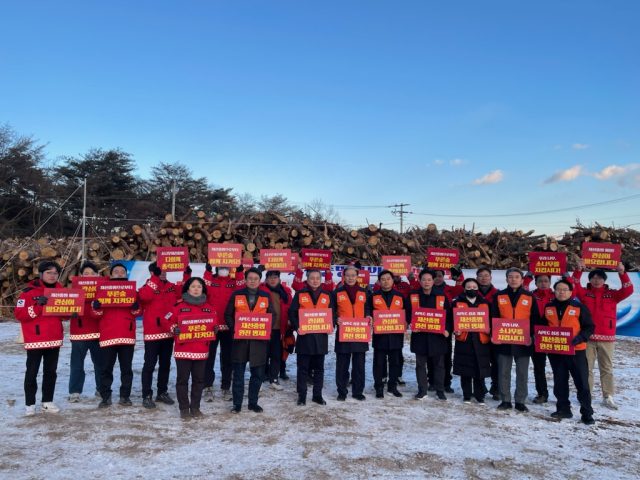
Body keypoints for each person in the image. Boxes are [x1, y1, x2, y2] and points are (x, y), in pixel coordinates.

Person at [572, 260, 633, 410]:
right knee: (587, 368)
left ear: (604, 280)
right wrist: (578, 271)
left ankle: (608, 396)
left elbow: (628, 290)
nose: (596, 280)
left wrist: (622, 273)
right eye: (593, 278)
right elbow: (573, 287)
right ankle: (587, 395)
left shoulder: (612, 295)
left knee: (606, 368)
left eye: (599, 278)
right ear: (590, 279)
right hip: (588, 338)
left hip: (607, 338)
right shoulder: (584, 294)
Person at [542, 279, 595, 425]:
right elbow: (543, 326)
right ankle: (563, 408)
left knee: (582, 383)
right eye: (559, 289)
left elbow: (589, 326)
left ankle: (587, 413)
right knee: (559, 381)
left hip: (576, 351)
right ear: (555, 291)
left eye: (565, 289)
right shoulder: (548, 307)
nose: (562, 292)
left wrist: (581, 337)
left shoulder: (579, 307)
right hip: (556, 351)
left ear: (571, 292)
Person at [15, 261, 65, 415]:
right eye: (49, 272)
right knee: (32, 372)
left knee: (51, 372)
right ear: (41, 274)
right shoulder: (28, 292)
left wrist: (72, 313)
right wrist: (38, 306)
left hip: (54, 338)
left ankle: (47, 402)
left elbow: (64, 314)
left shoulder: (62, 291)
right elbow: (20, 315)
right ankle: (30, 404)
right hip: (35, 339)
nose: (52, 275)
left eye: (55, 273)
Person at [224, 267, 276, 413]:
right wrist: (235, 330)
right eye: (250, 278)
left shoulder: (265, 296)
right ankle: (237, 404)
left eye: (256, 279)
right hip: (240, 342)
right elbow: (228, 314)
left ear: (260, 281)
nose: (253, 281)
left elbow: (273, 315)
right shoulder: (236, 294)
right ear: (246, 280)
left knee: (257, 375)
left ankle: (253, 402)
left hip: (258, 342)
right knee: (239, 375)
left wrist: (266, 328)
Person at [92, 263, 142, 408]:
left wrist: (136, 306)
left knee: (126, 369)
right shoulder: (101, 291)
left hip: (126, 334)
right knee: (106, 368)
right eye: (116, 271)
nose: (119, 274)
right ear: (111, 274)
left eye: (122, 272)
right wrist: (97, 307)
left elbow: (138, 313)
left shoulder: (133, 292)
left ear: (126, 275)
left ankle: (125, 396)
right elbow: (96, 315)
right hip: (108, 335)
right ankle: (105, 396)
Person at [491, 267, 541, 412]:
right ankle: (505, 399)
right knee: (503, 371)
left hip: (523, 340)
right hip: (504, 339)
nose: (513, 279)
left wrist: (532, 336)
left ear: (521, 279)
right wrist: (495, 335)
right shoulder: (499, 296)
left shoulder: (529, 296)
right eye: (511, 277)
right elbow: (494, 316)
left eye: (516, 277)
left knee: (522, 372)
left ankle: (520, 401)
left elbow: (535, 318)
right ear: (506, 279)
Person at [164, 277, 215, 420]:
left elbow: (213, 323)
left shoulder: (208, 308)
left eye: (199, 286)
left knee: (199, 380)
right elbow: (166, 320)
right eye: (193, 286)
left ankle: (195, 408)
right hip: (183, 350)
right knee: (183, 380)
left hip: (201, 351)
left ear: (203, 289)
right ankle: (184, 409)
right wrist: (174, 329)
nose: (196, 289)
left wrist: (214, 328)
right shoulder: (178, 306)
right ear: (187, 289)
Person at [288, 269, 336, 406]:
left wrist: (331, 325)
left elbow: (332, 314)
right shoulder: (300, 294)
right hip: (304, 337)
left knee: (319, 369)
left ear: (320, 280)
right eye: (312, 278)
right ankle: (302, 396)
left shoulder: (327, 295)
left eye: (317, 278)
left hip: (321, 338)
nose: (315, 280)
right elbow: (292, 312)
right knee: (302, 369)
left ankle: (317, 395)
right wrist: (297, 327)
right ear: (307, 280)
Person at [405, 269, 453, 401]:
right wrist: (411, 324)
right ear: (419, 281)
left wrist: (447, 329)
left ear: (433, 281)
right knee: (420, 365)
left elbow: (448, 316)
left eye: (429, 280)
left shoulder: (441, 297)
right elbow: (408, 313)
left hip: (437, 336)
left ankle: (440, 390)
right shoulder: (413, 296)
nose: (426, 282)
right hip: (420, 336)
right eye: (424, 279)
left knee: (439, 365)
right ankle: (422, 390)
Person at [200, 263, 245, 402]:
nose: (223, 270)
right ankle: (207, 387)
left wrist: (239, 272)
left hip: (228, 326)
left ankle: (226, 387)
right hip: (211, 327)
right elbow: (203, 291)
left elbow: (241, 290)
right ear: (216, 268)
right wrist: (207, 272)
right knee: (208, 359)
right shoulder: (211, 281)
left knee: (227, 359)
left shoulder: (233, 283)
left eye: (226, 267)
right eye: (221, 268)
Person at [138, 262, 179, 408]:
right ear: (151, 272)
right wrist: (154, 278)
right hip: (152, 333)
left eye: (164, 271)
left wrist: (187, 273)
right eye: (158, 271)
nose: (162, 273)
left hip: (168, 332)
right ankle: (146, 395)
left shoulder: (172, 287)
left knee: (165, 365)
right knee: (149, 365)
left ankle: (162, 392)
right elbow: (146, 297)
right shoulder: (145, 288)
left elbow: (186, 291)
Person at [333, 265, 372, 401]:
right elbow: (331, 311)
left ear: (357, 277)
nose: (350, 278)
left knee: (359, 364)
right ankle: (342, 391)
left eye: (353, 275)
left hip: (360, 333)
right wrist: (335, 318)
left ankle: (357, 391)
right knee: (342, 364)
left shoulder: (364, 292)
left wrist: (368, 316)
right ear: (344, 277)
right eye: (348, 275)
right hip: (344, 333)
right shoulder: (337, 292)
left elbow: (368, 308)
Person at [452, 278, 491, 404]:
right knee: (465, 368)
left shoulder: (484, 303)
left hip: (481, 340)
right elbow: (451, 320)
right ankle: (467, 394)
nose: (472, 289)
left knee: (480, 368)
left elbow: (491, 319)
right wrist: (454, 330)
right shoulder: (457, 303)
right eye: (469, 287)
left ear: (478, 288)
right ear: (464, 289)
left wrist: (490, 329)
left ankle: (480, 395)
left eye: (474, 287)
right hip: (464, 339)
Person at [368, 269, 405, 399]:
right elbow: (368, 311)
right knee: (378, 363)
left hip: (396, 336)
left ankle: (392, 386)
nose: (385, 281)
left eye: (388, 279)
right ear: (379, 281)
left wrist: (406, 321)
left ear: (392, 280)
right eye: (383, 279)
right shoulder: (373, 296)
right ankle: (378, 386)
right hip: (380, 336)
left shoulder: (400, 296)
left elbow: (406, 312)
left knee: (395, 362)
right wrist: (369, 317)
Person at [68, 261, 102, 402]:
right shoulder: (73, 292)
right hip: (79, 332)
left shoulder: (103, 290)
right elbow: (61, 309)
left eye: (92, 274)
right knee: (77, 364)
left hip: (98, 331)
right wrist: (70, 311)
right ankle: (75, 391)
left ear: (97, 275)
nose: (89, 277)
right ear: (80, 275)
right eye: (86, 274)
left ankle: (101, 389)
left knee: (100, 363)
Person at [523, 273, 555, 404]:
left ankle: (561, 395)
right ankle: (542, 393)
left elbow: (573, 292)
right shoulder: (530, 295)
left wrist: (568, 277)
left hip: (554, 337)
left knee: (558, 368)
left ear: (550, 283)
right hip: (536, 336)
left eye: (546, 281)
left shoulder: (557, 295)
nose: (543, 283)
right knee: (539, 367)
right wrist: (528, 277)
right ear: (535, 283)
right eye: (540, 281)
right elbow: (522, 289)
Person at [431, 267, 464, 393]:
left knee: (446, 355)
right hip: (430, 326)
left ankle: (446, 382)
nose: (437, 278)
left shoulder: (449, 289)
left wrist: (459, 275)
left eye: (439, 275)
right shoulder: (427, 289)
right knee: (431, 356)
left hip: (446, 327)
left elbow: (461, 288)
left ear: (444, 276)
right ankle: (432, 381)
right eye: (434, 276)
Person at [259, 270, 293, 391]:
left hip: (280, 328)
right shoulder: (260, 290)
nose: (273, 279)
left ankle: (273, 379)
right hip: (264, 328)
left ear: (279, 279)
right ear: (266, 279)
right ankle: (261, 379)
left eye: (275, 277)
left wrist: (290, 326)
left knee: (276, 355)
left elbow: (290, 310)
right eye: (270, 277)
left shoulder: (286, 292)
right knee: (262, 355)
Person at [476, 267, 500, 400]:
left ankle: (496, 386)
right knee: (480, 359)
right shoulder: (472, 292)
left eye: (486, 275)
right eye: (481, 275)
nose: (483, 278)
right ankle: (480, 386)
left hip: (495, 333)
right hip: (478, 332)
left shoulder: (498, 293)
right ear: (477, 277)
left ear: (491, 277)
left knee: (496, 361)